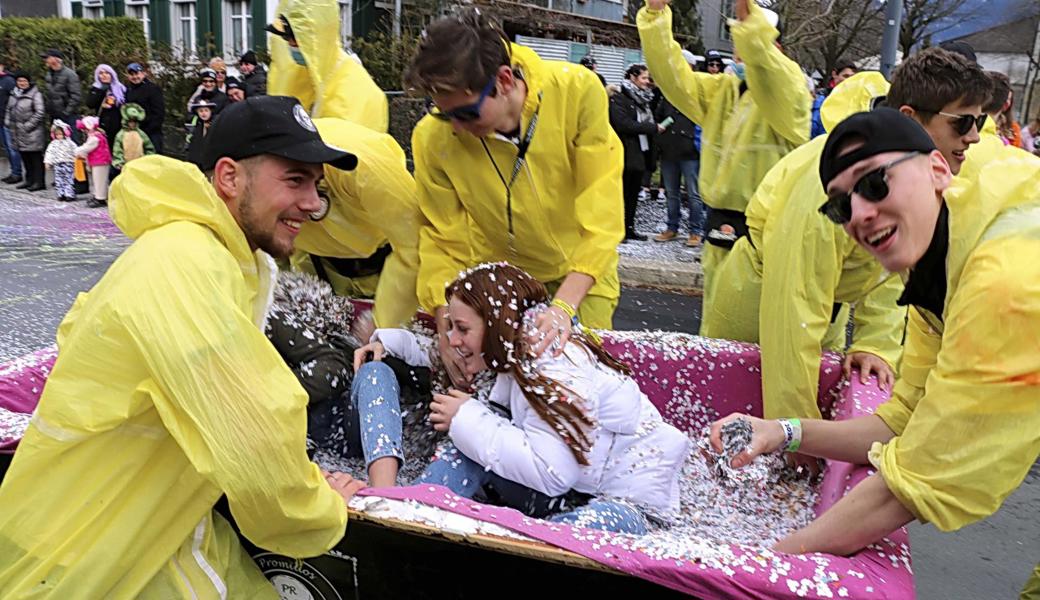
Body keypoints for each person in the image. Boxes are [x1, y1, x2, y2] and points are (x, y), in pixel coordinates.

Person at [0, 95, 364, 598]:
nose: (311, 203)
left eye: (316, 187)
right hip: (83, 555)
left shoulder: (218, 254)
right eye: (295, 180)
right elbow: (254, 432)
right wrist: (319, 513)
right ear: (230, 178)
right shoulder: (184, 264)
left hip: (146, 523)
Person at [709, 108, 1040, 568]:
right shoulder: (943, 259)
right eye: (841, 205)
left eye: (874, 182)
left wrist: (752, 565)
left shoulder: (1006, 280)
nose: (861, 213)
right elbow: (902, 419)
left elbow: (912, 483)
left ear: (938, 169)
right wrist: (782, 432)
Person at [704, 48, 993, 422]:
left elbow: (895, 267)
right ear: (910, 118)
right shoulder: (834, 181)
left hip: (825, 312)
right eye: (962, 123)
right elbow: (792, 309)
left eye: (980, 122)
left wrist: (875, 345)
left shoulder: (909, 171)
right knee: (736, 422)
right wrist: (795, 426)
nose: (974, 137)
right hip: (759, 309)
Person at [404, 8, 624, 389]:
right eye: (444, 116)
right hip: (497, 278)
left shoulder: (577, 92)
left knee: (582, 388)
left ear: (504, 80)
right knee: (496, 392)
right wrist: (446, 325)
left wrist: (564, 308)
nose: (456, 128)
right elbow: (442, 239)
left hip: (582, 271)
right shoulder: (431, 139)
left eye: (467, 113)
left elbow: (602, 214)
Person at [393, 263, 689, 533]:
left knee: (565, 536)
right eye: (451, 328)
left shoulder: (550, 363)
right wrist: (386, 341)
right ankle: (412, 519)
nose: (453, 341)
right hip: (576, 491)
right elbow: (431, 351)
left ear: (497, 325)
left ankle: (414, 527)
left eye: (462, 329)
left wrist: (466, 417)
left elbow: (554, 472)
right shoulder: (517, 354)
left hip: (630, 503)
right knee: (464, 447)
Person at [638, 0, 810, 335]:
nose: (741, 49)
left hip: (766, 234)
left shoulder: (790, 95)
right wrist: (656, 16)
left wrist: (751, 23)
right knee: (717, 327)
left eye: (751, 37)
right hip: (720, 228)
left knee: (759, 334)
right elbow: (673, 76)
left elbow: (769, 68)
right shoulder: (723, 91)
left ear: (777, 47)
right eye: (738, 39)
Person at [289, 117, 424, 334]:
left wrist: (383, 321)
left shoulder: (364, 166)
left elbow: (414, 243)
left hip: (391, 270)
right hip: (322, 267)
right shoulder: (245, 193)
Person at [267, 0, 388, 132]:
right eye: (286, 38)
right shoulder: (299, 73)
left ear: (319, 36)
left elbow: (347, 145)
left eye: (297, 39)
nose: (291, 45)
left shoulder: (355, 90)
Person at [654, 51, 705, 246]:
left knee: (694, 194)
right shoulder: (669, 91)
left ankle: (695, 230)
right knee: (671, 192)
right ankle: (671, 227)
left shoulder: (698, 89)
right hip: (669, 150)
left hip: (690, 151)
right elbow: (660, 114)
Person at [610, 63, 660, 242]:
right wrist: (651, 127)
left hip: (641, 152)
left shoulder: (645, 100)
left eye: (648, 78)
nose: (647, 82)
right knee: (621, 193)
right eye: (644, 78)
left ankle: (629, 227)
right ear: (632, 77)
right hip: (625, 150)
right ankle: (617, 229)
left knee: (633, 194)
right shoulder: (619, 98)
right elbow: (623, 124)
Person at [5, 71, 46, 192]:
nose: (22, 83)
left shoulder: (35, 94)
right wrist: (7, 122)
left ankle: (39, 182)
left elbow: (40, 112)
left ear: (28, 82)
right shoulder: (14, 94)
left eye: (24, 81)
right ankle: (29, 180)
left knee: (35, 157)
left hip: (32, 132)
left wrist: (27, 126)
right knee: (25, 156)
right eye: (19, 81)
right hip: (17, 131)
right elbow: (8, 109)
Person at [124, 62, 166, 154]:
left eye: (137, 73)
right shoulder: (128, 90)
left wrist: (149, 128)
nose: (135, 77)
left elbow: (159, 112)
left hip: (151, 133)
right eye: (132, 74)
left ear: (143, 74)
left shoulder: (152, 89)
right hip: (134, 132)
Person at [811, 59, 857, 138]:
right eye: (845, 76)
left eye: (853, 77)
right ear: (834, 74)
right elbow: (813, 127)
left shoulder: (857, 101)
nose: (849, 80)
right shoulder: (821, 99)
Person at [85, 63, 125, 149]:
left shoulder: (120, 88)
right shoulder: (96, 88)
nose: (104, 75)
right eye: (101, 73)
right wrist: (101, 90)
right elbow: (90, 104)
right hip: (101, 126)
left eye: (107, 73)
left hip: (117, 125)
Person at [75, 116, 112, 207]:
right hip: (98, 161)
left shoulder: (95, 138)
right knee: (97, 180)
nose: (84, 131)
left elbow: (87, 147)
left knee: (100, 180)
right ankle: (98, 195)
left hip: (100, 161)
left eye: (84, 129)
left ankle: (100, 198)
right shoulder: (95, 136)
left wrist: (76, 151)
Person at [41, 49, 80, 132]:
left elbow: (76, 96)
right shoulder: (48, 74)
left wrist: (66, 112)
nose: (45, 60)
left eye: (47, 58)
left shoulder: (70, 74)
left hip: (68, 117)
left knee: (71, 142)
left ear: (56, 59)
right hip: (54, 116)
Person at [111, 103, 155, 172]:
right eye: (130, 122)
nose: (133, 124)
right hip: (126, 166)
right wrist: (119, 162)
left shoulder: (141, 134)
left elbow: (149, 147)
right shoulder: (121, 135)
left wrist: (147, 159)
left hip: (140, 166)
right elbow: (117, 150)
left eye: (134, 122)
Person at [43, 120, 78, 202]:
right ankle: (60, 194)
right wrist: (47, 162)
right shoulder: (53, 144)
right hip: (57, 164)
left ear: (66, 133)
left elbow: (76, 150)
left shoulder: (70, 143)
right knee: (59, 180)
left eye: (61, 134)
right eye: (57, 135)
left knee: (69, 179)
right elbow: (49, 153)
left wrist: (79, 157)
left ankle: (69, 194)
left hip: (69, 163)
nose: (59, 136)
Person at [0, 63, 23, 184]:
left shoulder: (8, 81)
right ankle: (13, 171)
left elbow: (17, 98)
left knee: (12, 148)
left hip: (7, 120)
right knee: (7, 149)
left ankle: (17, 173)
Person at [185, 99, 219, 168]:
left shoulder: (216, 123)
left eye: (206, 110)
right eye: (201, 111)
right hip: (195, 159)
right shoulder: (194, 124)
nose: (203, 113)